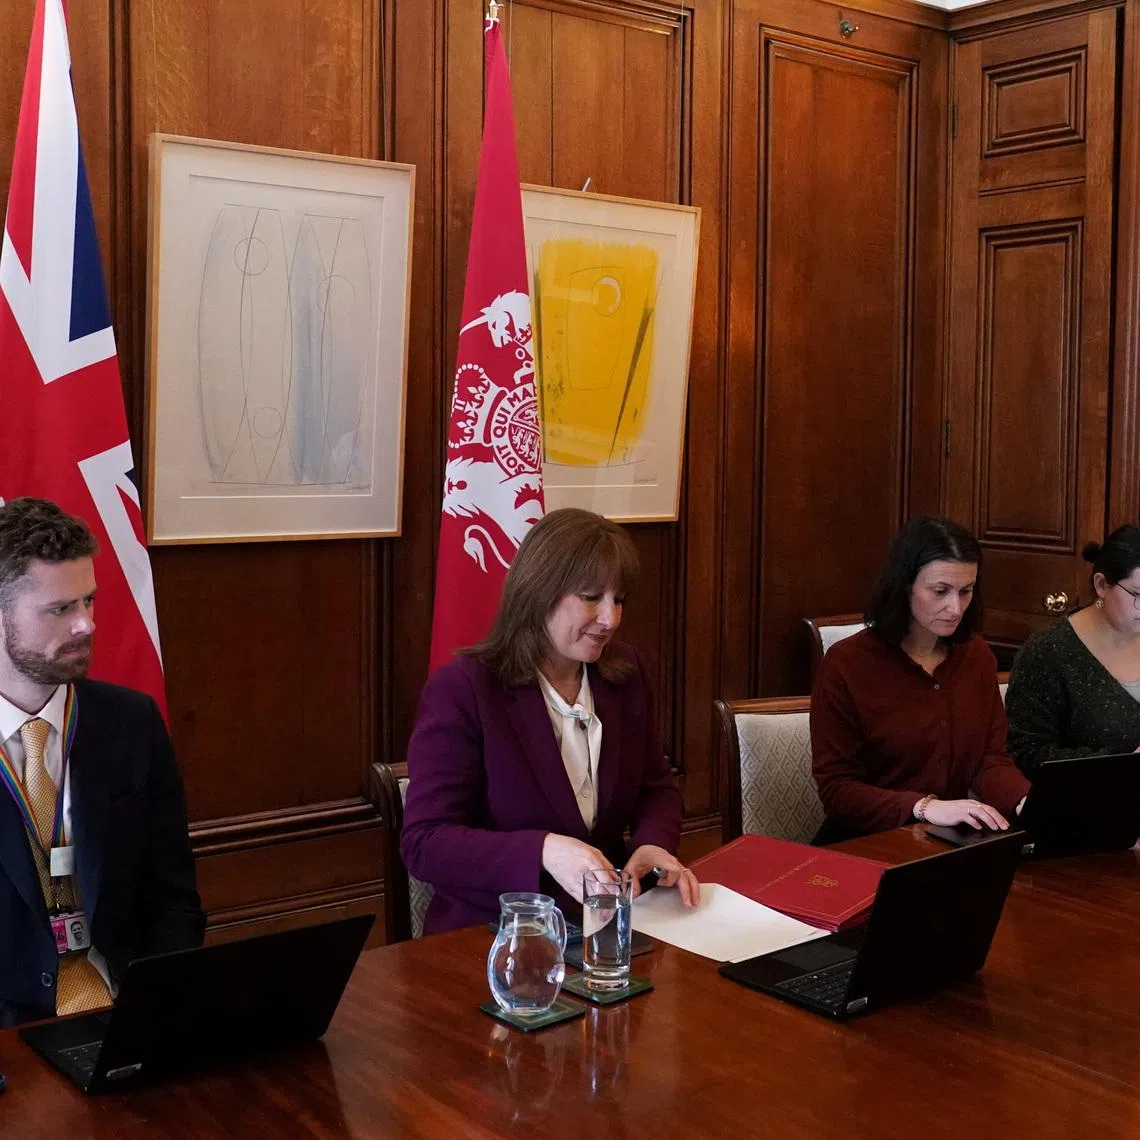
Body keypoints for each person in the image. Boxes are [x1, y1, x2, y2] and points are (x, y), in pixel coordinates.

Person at [401, 508, 698, 935]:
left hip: (607, 928)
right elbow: (425, 844)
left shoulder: (624, 672)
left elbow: (657, 788)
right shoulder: (465, 688)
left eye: (619, 601)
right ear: (540, 591)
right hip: (496, 936)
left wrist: (652, 843)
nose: (609, 619)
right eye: (592, 597)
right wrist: (543, 850)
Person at [0, 498, 204, 1027]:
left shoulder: (131, 723)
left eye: (88, 601)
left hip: (127, 1013)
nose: (86, 625)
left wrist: (153, 1014)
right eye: (61, 609)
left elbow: (173, 901)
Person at [810, 515, 1029, 842]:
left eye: (966, 591)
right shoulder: (846, 664)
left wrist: (1026, 801)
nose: (955, 608)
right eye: (940, 591)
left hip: (946, 842)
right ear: (904, 585)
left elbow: (989, 760)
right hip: (866, 843)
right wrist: (924, 807)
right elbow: (838, 790)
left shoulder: (976, 655)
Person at [1006, 527, 1140, 772]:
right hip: (1089, 801)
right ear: (1101, 584)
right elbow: (1026, 753)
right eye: (1138, 595)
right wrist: (1123, 760)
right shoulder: (1048, 652)